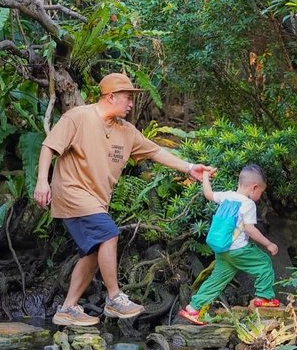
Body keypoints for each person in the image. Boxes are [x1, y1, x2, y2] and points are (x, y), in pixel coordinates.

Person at [34, 72, 214, 326]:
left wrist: (188, 168)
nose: (131, 104)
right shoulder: (78, 117)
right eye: (128, 98)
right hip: (71, 192)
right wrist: (42, 181)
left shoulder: (126, 132)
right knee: (109, 233)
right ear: (110, 97)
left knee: (95, 252)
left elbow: (156, 151)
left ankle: (68, 308)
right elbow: (48, 146)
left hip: (97, 201)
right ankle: (114, 298)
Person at [179, 164, 280, 326]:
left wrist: (205, 175)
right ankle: (264, 297)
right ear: (254, 187)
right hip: (238, 250)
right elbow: (250, 229)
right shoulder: (248, 204)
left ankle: (193, 308)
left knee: (217, 279)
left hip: (222, 250)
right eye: (260, 191)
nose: (260, 195)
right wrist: (268, 244)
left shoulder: (227, 196)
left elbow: (208, 194)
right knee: (264, 264)